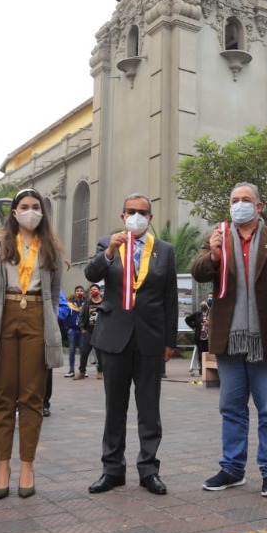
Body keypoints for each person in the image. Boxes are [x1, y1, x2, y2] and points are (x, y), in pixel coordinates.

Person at [190, 183, 267, 497]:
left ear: (259, 207)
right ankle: (232, 469)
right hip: (229, 339)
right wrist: (214, 252)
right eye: (234, 200)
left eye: (246, 200)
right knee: (231, 408)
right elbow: (198, 272)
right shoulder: (217, 236)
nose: (239, 205)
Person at [0, 189, 66, 498]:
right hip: (3, 313)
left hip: (37, 314)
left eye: (35, 207)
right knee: (2, 396)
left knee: (31, 397)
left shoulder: (51, 245)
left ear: (43, 212)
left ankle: (27, 465)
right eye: (24, 207)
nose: (30, 211)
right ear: (13, 212)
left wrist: (51, 330)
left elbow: (55, 291)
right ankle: (2, 466)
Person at [84, 193, 178, 495]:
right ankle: (112, 470)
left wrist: (169, 341)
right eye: (130, 211)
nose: (136, 216)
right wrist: (110, 250)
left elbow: (170, 299)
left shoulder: (164, 250)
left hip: (150, 339)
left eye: (142, 212)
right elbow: (92, 274)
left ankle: (149, 470)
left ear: (150, 218)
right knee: (115, 407)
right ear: (123, 216)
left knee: (149, 408)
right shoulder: (108, 243)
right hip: (114, 338)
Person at [76, 284, 103, 379]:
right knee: (84, 352)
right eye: (91, 290)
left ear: (99, 291)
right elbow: (81, 315)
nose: (92, 291)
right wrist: (82, 328)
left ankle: (100, 371)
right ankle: (82, 372)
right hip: (89, 331)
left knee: (100, 353)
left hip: (100, 332)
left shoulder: (104, 303)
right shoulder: (87, 303)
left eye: (95, 289)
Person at [184, 298, 210, 377]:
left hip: (209, 338)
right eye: (201, 305)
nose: (203, 306)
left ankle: (209, 370)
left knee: (209, 354)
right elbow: (187, 319)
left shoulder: (211, 314)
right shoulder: (197, 314)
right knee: (201, 355)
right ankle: (202, 370)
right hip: (200, 339)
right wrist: (193, 327)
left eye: (204, 304)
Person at [64, 286, 85, 377]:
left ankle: (82, 370)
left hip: (82, 330)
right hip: (72, 329)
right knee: (71, 350)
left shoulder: (86, 303)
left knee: (83, 350)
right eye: (77, 291)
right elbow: (66, 315)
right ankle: (71, 370)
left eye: (81, 291)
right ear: (75, 292)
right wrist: (67, 327)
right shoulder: (70, 304)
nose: (79, 292)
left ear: (83, 293)